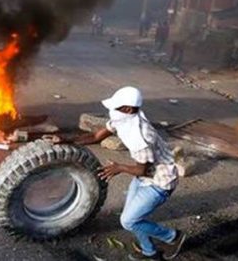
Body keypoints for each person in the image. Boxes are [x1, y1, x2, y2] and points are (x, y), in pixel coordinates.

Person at [74, 87, 185, 260]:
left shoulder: (141, 136)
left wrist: (119, 168)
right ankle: (150, 252)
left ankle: (173, 237)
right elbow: (97, 136)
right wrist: (67, 139)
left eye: (116, 107)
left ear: (128, 109)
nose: (111, 111)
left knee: (129, 221)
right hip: (143, 177)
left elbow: (143, 169)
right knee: (135, 219)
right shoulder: (123, 119)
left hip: (159, 182)